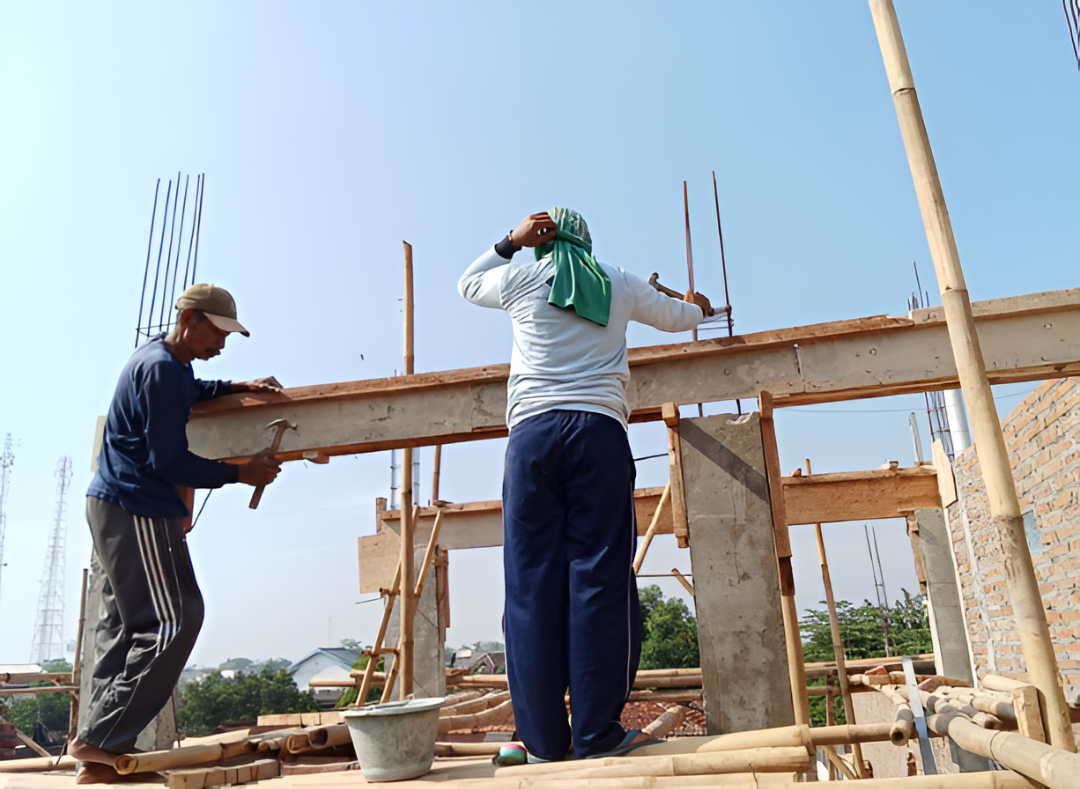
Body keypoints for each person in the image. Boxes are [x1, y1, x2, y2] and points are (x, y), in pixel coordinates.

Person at [458, 209, 711, 761]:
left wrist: (509, 241)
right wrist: (700, 307)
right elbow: (680, 319)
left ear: (540, 244)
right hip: (598, 434)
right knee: (598, 576)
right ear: (588, 241)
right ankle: (597, 734)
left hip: (531, 440)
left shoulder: (522, 277)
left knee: (529, 586)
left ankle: (544, 740)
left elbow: (467, 283)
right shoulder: (617, 281)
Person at [71, 284, 282, 784]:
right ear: (190, 318)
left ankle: (99, 763)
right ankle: (100, 740)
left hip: (113, 503)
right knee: (175, 619)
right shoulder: (164, 369)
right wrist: (240, 472)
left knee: (124, 631)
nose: (222, 345)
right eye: (218, 333)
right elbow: (168, 460)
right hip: (137, 508)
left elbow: (191, 390)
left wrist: (233, 386)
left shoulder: (165, 362)